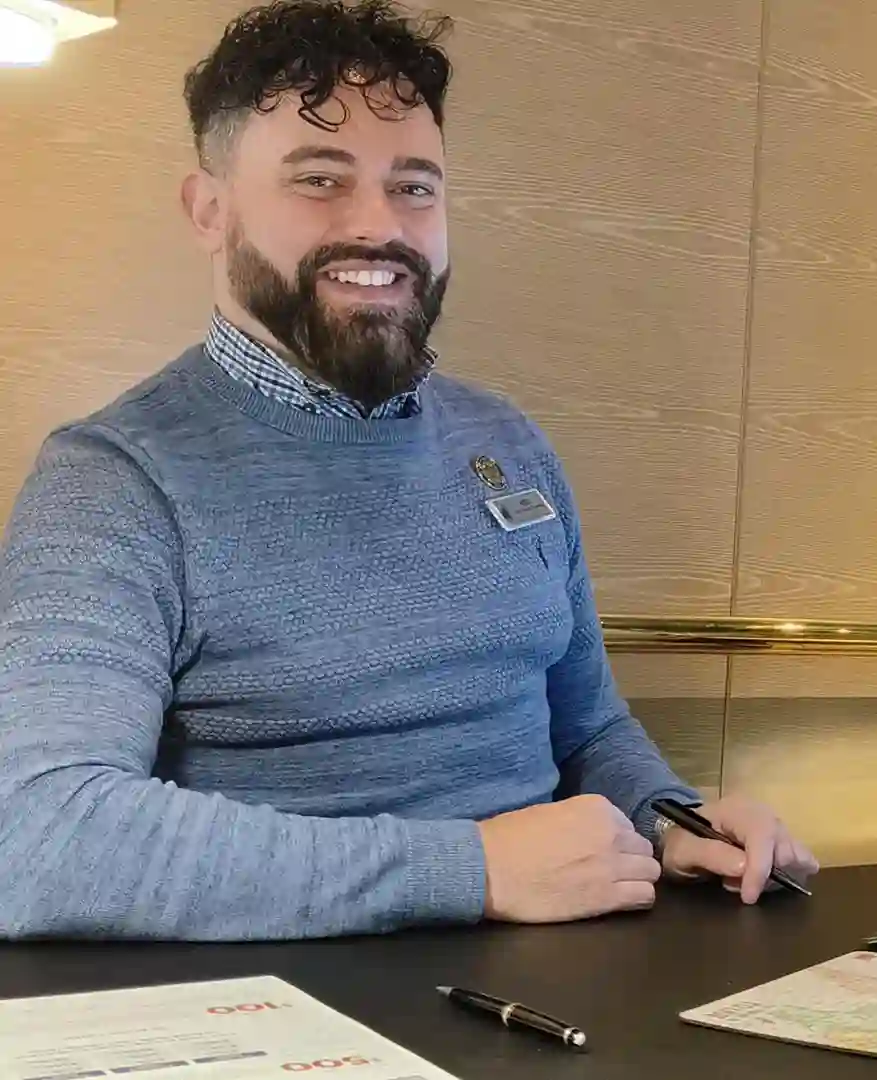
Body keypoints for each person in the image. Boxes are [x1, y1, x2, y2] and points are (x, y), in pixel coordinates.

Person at [0, 0, 816, 941]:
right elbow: (42, 836)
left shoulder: (508, 444)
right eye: (319, 178)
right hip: (298, 1014)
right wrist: (471, 870)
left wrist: (672, 819)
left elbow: (587, 734)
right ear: (209, 211)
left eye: (415, 187)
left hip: (575, 975)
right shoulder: (113, 480)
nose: (379, 227)